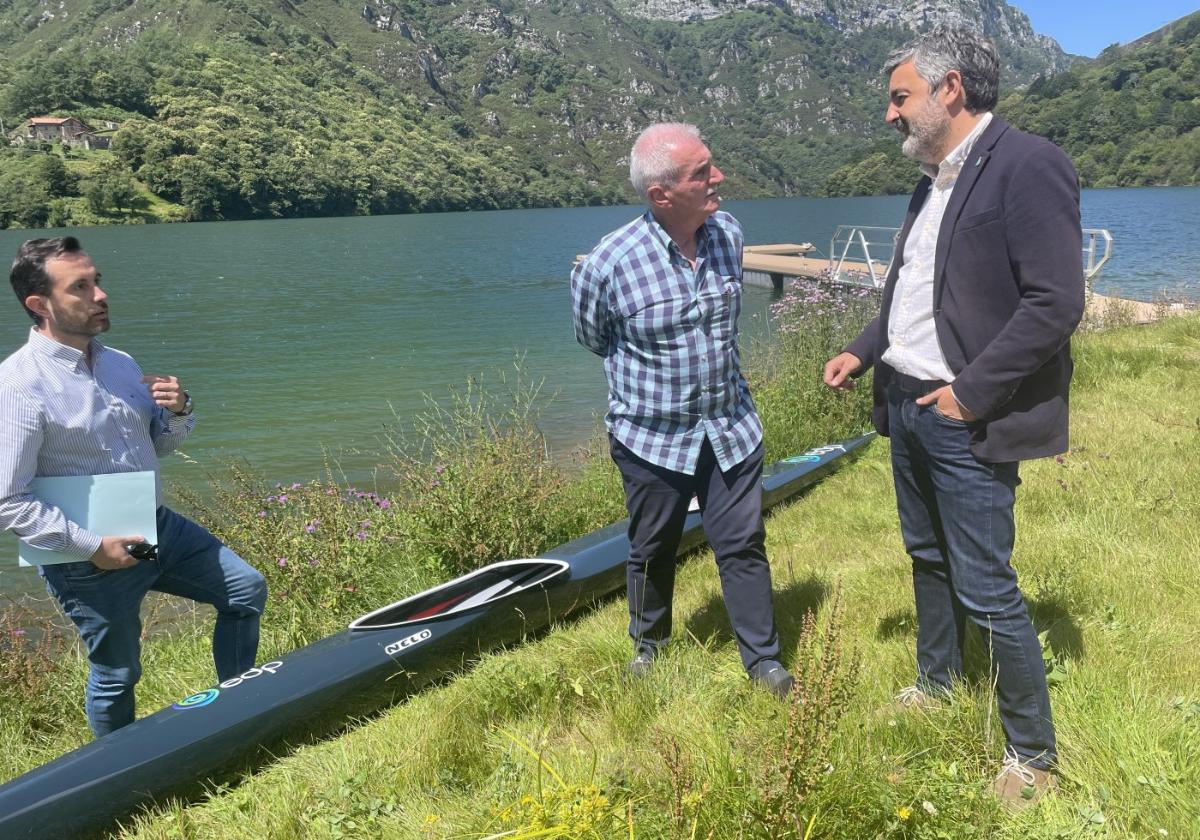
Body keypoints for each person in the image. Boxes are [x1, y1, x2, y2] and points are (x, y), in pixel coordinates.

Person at [823, 27, 1084, 805]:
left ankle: (1031, 757)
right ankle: (937, 682)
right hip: (906, 400)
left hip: (962, 412)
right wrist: (864, 350)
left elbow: (1055, 302)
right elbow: (918, 294)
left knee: (985, 583)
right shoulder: (932, 178)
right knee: (927, 556)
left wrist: (970, 392)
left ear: (951, 90)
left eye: (900, 96)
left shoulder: (1029, 164)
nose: (889, 113)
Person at [0, 236, 268, 738]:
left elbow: (156, 446)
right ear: (40, 305)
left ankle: (239, 712)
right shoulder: (16, 387)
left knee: (244, 590)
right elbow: (7, 501)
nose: (100, 295)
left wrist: (180, 410)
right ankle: (121, 778)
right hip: (86, 560)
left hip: (153, 529)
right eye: (79, 287)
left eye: (97, 280)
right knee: (118, 674)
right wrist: (91, 546)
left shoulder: (118, 362)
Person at [571, 123, 793, 698]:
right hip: (651, 437)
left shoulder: (728, 235)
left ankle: (763, 661)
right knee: (652, 547)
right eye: (702, 173)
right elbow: (594, 338)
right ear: (661, 196)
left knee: (742, 544)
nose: (718, 178)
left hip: (729, 426)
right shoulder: (607, 263)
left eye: (711, 165)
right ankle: (651, 646)